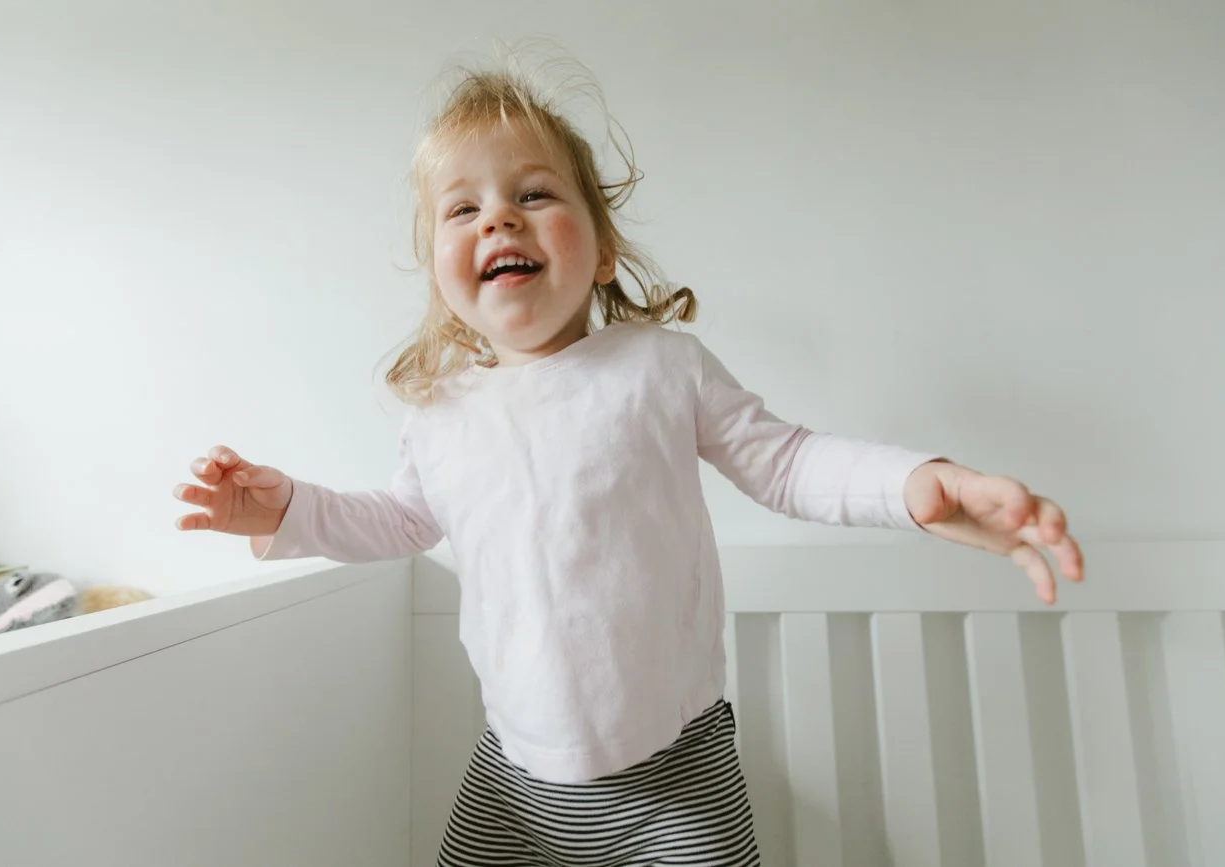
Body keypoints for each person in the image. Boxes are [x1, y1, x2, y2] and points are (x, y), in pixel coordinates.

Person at [173, 61, 1083, 867]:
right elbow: (401, 520)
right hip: (513, 774)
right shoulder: (443, 413)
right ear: (443, 276)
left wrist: (920, 484)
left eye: (533, 195)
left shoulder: (657, 365)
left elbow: (790, 463)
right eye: (464, 208)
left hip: (677, 764)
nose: (498, 217)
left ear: (603, 248)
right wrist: (284, 510)